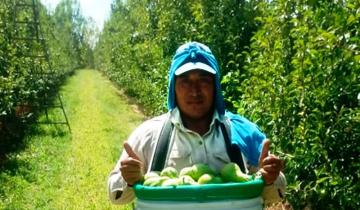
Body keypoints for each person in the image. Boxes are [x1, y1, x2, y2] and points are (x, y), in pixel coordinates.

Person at [108, 41, 286, 207]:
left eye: (204, 80)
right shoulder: (149, 134)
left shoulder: (242, 132)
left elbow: (275, 195)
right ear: (173, 87)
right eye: (185, 81)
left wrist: (269, 177)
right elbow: (115, 196)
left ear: (215, 86)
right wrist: (130, 179)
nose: (194, 91)